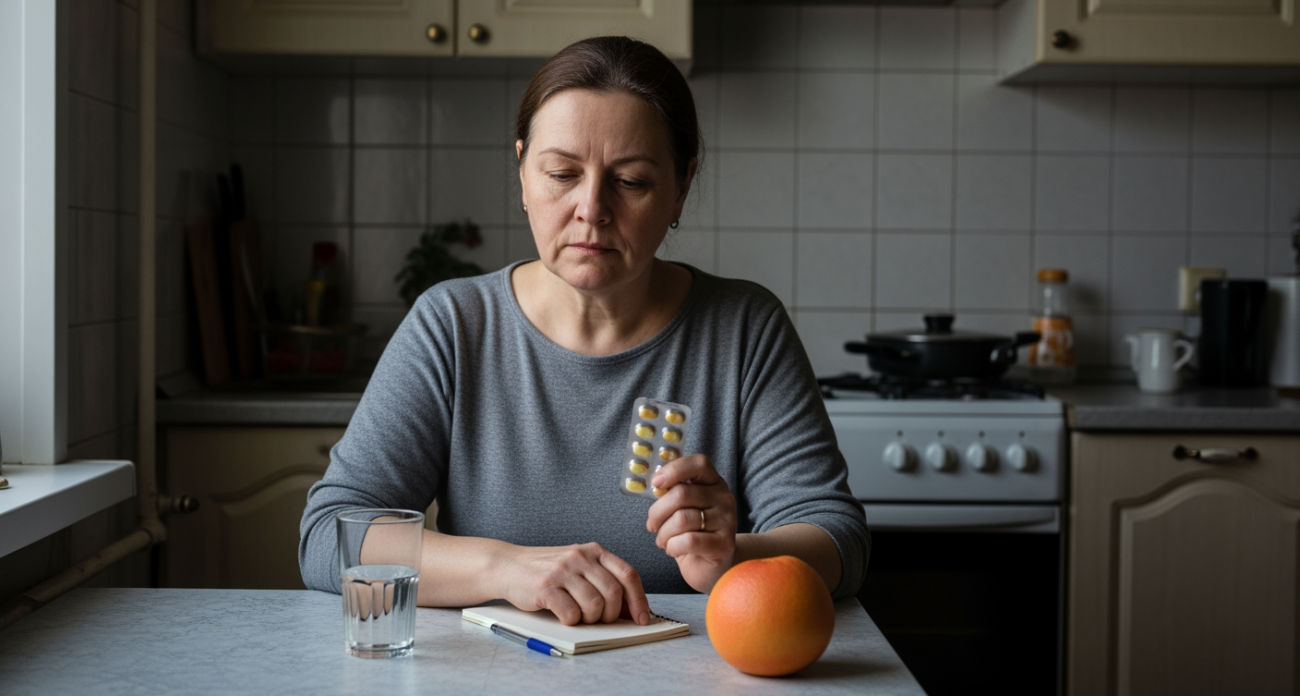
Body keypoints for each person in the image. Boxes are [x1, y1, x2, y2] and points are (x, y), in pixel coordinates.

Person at [299, 36, 868, 627]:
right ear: (522, 174)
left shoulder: (745, 330)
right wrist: (505, 569)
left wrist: (732, 558)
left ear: (682, 186)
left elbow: (839, 541)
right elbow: (329, 536)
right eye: (562, 173)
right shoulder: (452, 325)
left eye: (631, 182)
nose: (591, 208)